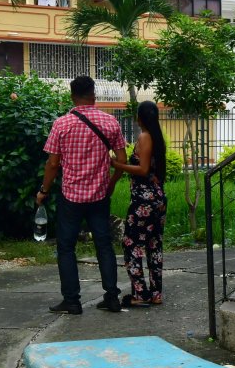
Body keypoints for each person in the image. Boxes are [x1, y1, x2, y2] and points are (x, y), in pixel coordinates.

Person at [36, 76, 127, 314]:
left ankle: (72, 301)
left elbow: (53, 163)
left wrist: (43, 190)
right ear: (93, 94)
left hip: (71, 197)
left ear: (72, 96)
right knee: (104, 245)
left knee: (66, 247)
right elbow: (122, 161)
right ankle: (112, 297)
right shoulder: (110, 122)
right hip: (99, 196)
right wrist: (111, 184)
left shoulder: (62, 124)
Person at [111, 100, 168, 307]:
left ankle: (140, 293)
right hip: (158, 199)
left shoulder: (144, 137)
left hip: (143, 200)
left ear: (140, 118)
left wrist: (118, 164)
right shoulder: (158, 137)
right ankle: (155, 293)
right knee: (154, 244)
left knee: (131, 244)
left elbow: (143, 170)